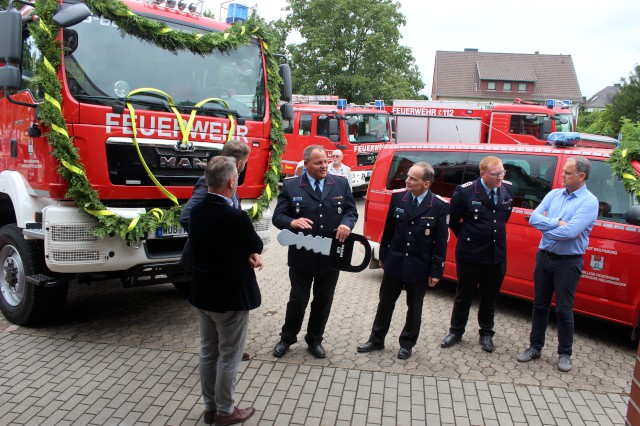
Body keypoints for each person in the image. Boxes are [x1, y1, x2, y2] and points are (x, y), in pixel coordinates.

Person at [188, 156, 263, 425]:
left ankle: (210, 408)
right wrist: (251, 254)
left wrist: (243, 254)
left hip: (203, 294)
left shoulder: (196, 212)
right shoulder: (235, 216)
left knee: (208, 352)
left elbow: (216, 247)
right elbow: (255, 243)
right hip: (230, 297)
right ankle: (225, 410)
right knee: (229, 355)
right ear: (231, 181)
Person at [272, 145, 358, 359]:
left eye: (326, 161)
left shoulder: (340, 183)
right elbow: (277, 217)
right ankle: (287, 338)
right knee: (298, 300)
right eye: (319, 162)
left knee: (323, 300)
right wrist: (292, 221)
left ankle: (315, 339)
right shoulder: (292, 186)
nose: (324, 165)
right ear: (306, 164)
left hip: (331, 256)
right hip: (302, 255)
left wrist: (347, 224)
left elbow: (351, 211)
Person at [357, 162, 449, 360]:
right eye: (408, 176)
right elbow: (388, 230)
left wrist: (436, 271)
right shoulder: (398, 198)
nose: (407, 181)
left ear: (426, 183)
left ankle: (407, 343)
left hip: (419, 266)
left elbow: (441, 243)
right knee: (385, 304)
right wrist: (383, 256)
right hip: (395, 262)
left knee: (414, 308)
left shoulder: (439, 206)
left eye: (413, 179)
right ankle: (376, 339)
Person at [517, 156, 598, 373]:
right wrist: (555, 224)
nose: (562, 175)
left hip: (568, 262)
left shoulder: (589, 202)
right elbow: (533, 218)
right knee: (539, 305)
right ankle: (535, 347)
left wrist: (547, 229)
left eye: (568, 173)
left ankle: (565, 354)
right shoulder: (554, 194)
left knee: (564, 309)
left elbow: (571, 232)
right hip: (544, 258)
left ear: (581, 177)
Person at [180, 139, 252, 362]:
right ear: (239, 163)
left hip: (226, 264)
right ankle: (223, 354)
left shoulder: (230, 183)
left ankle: (230, 348)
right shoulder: (207, 184)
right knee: (218, 313)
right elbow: (187, 216)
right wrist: (214, 243)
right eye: (246, 163)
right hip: (213, 265)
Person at [440, 156, 513, 353]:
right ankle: (456, 331)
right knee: (464, 295)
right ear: (482, 174)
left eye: (502, 173)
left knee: (490, 297)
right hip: (471, 255)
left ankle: (487, 334)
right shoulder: (465, 191)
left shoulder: (507, 189)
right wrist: (470, 236)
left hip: (496, 256)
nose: (500, 177)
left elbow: (503, 217)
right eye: (496, 174)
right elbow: (454, 220)